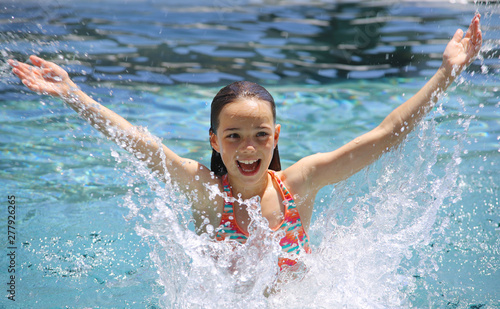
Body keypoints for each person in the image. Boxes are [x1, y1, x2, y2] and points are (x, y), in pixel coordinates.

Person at [8, 14, 482, 269]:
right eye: (233, 136)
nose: (248, 147)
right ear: (214, 141)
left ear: (276, 137)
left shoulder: (301, 181)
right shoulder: (204, 189)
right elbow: (138, 142)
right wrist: (72, 93)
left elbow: (382, 136)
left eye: (259, 135)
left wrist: (445, 73)